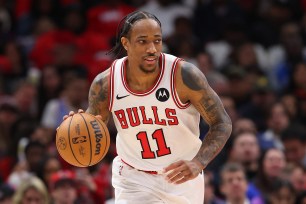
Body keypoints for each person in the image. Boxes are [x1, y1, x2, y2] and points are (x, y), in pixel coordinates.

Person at [64, 10, 232, 203]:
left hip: (182, 177)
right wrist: (78, 126)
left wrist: (199, 162)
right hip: (133, 178)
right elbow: (94, 130)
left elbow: (222, 122)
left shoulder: (183, 75)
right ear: (126, 43)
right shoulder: (106, 84)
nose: (152, 48)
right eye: (143, 41)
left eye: (157, 40)